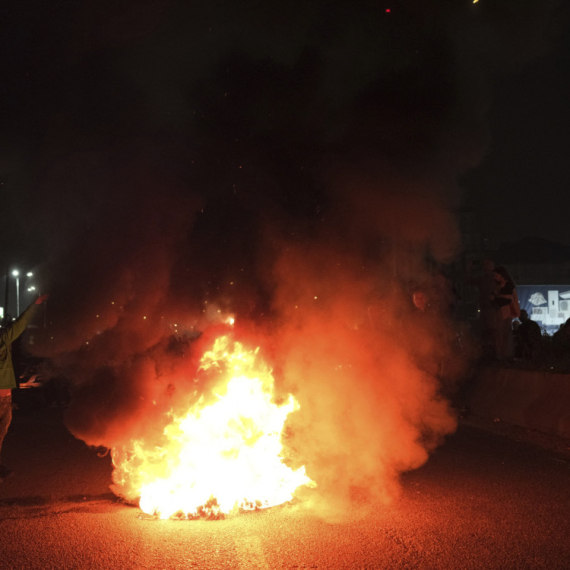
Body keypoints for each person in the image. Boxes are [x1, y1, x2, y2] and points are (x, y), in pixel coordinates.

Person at [0, 294, 49, 482]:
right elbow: (18, 325)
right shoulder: (4, 339)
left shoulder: (4, 339)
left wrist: (35, 305)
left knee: (1, 435)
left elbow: (19, 325)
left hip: (6, 398)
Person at [490, 266, 519, 361]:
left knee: (504, 332)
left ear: (501, 275)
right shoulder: (499, 286)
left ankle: (505, 354)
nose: (495, 277)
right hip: (500, 311)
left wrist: (495, 299)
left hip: (505, 312)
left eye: (496, 275)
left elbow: (507, 300)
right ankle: (503, 353)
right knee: (500, 332)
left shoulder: (507, 285)